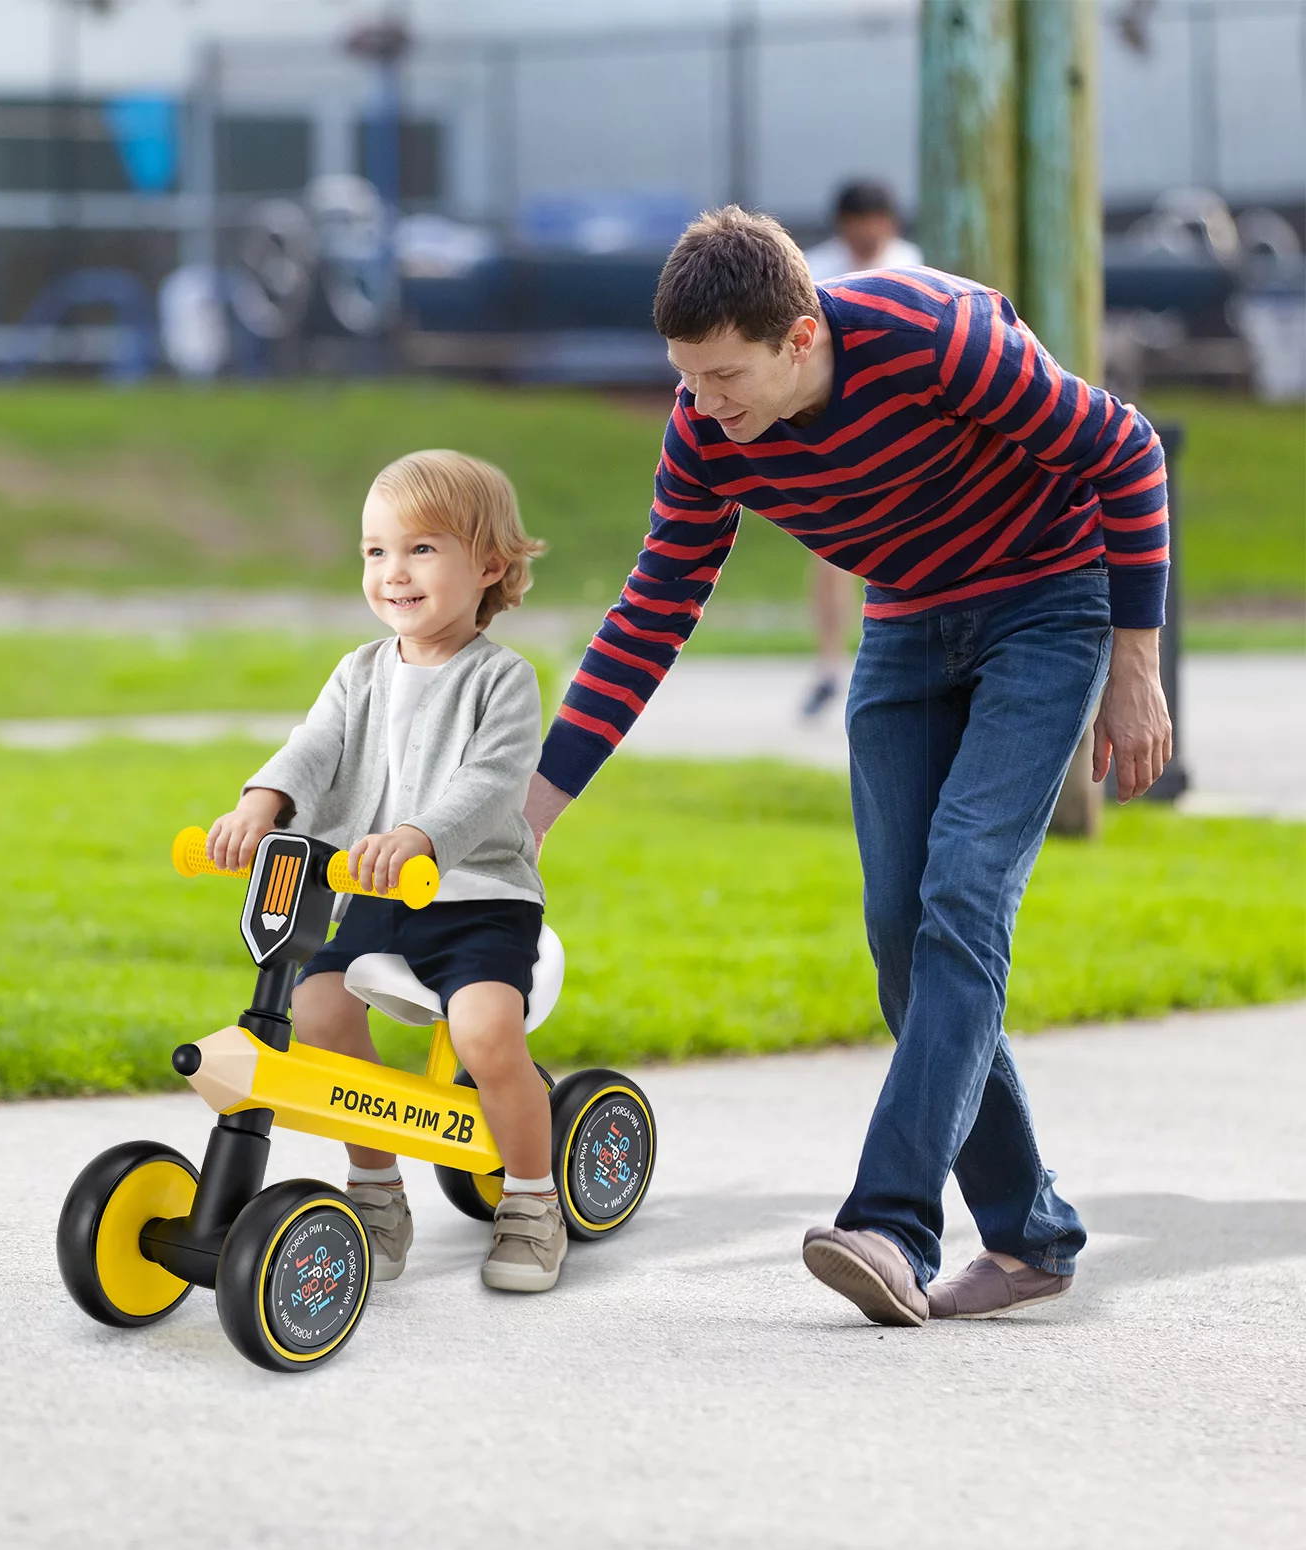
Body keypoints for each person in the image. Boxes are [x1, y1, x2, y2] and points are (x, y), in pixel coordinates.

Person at [524, 207, 1171, 1327]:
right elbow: (649, 617)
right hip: (909, 624)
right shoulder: (703, 430)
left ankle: (890, 1222)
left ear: (800, 337)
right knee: (897, 935)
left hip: (1046, 603)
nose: (705, 405)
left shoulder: (936, 339)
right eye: (688, 378)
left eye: (724, 377)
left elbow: (1124, 446)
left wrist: (1134, 660)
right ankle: (1030, 1236)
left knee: (962, 893)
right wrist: (526, 818)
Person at [204, 450, 567, 1293]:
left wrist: (418, 835)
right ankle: (374, 1189)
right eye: (376, 551)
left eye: (421, 550)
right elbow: (314, 747)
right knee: (315, 1009)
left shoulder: (502, 680)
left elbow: (490, 784)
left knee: (483, 1034)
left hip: (477, 901)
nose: (393, 572)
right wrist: (263, 803)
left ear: (490, 567)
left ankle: (530, 1198)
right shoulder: (359, 671)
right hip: (373, 893)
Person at [801, 181, 926, 716]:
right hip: (832, 431)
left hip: (897, 424)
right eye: (861, 221)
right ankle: (831, 665)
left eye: (878, 220)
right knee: (833, 554)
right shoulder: (813, 270)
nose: (870, 232)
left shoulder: (910, 264)